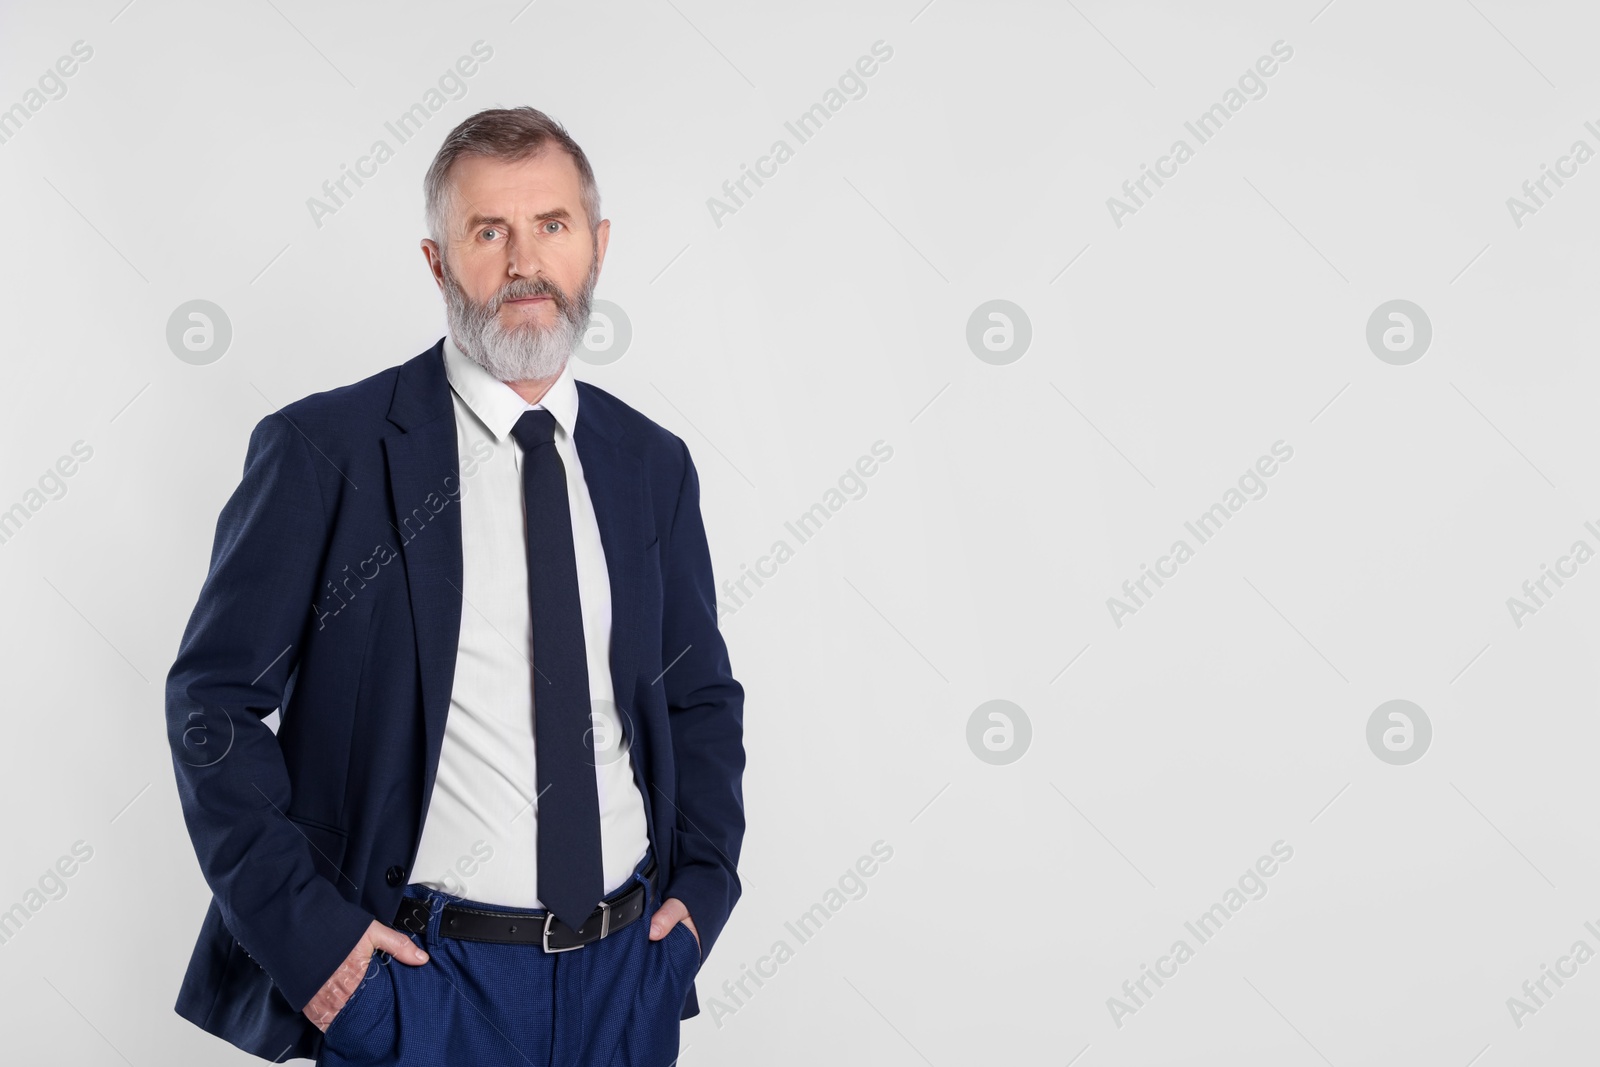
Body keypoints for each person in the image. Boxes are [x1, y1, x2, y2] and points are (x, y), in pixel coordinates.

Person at [165, 106, 746, 1066]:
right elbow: (213, 710)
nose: (525, 261)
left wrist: (700, 899)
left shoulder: (651, 464)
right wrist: (322, 954)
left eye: (551, 226)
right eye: (490, 232)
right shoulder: (326, 451)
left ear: (595, 248)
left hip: (626, 981)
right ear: (438, 261)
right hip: (419, 985)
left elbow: (697, 696)